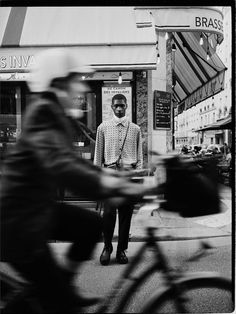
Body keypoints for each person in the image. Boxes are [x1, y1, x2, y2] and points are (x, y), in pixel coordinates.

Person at [0, 49, 152, 313]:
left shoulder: (55, 113)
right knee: (49, 298)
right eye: (74, 80)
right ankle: (56, 297)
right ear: (58, 83)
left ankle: (61, 288)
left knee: (91, 223)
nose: (79, 86)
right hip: (19, 222)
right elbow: (63, 166)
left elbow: (74, 163)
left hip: (36, 208)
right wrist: (107, 184)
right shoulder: (43, 113)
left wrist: (111, 179)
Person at [94, 94, 143, 266]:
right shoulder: (103, 128)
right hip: (109, 175)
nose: (120, 108)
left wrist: (137, 179)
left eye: (122, 105)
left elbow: (140, 158)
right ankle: (107, 248)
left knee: (125, 215)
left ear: (127, 106)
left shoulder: (135, 129)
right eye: (116, 106)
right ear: (112, 107)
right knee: (108, 214)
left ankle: (122, 249)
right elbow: (97, 157)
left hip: (128, 177)